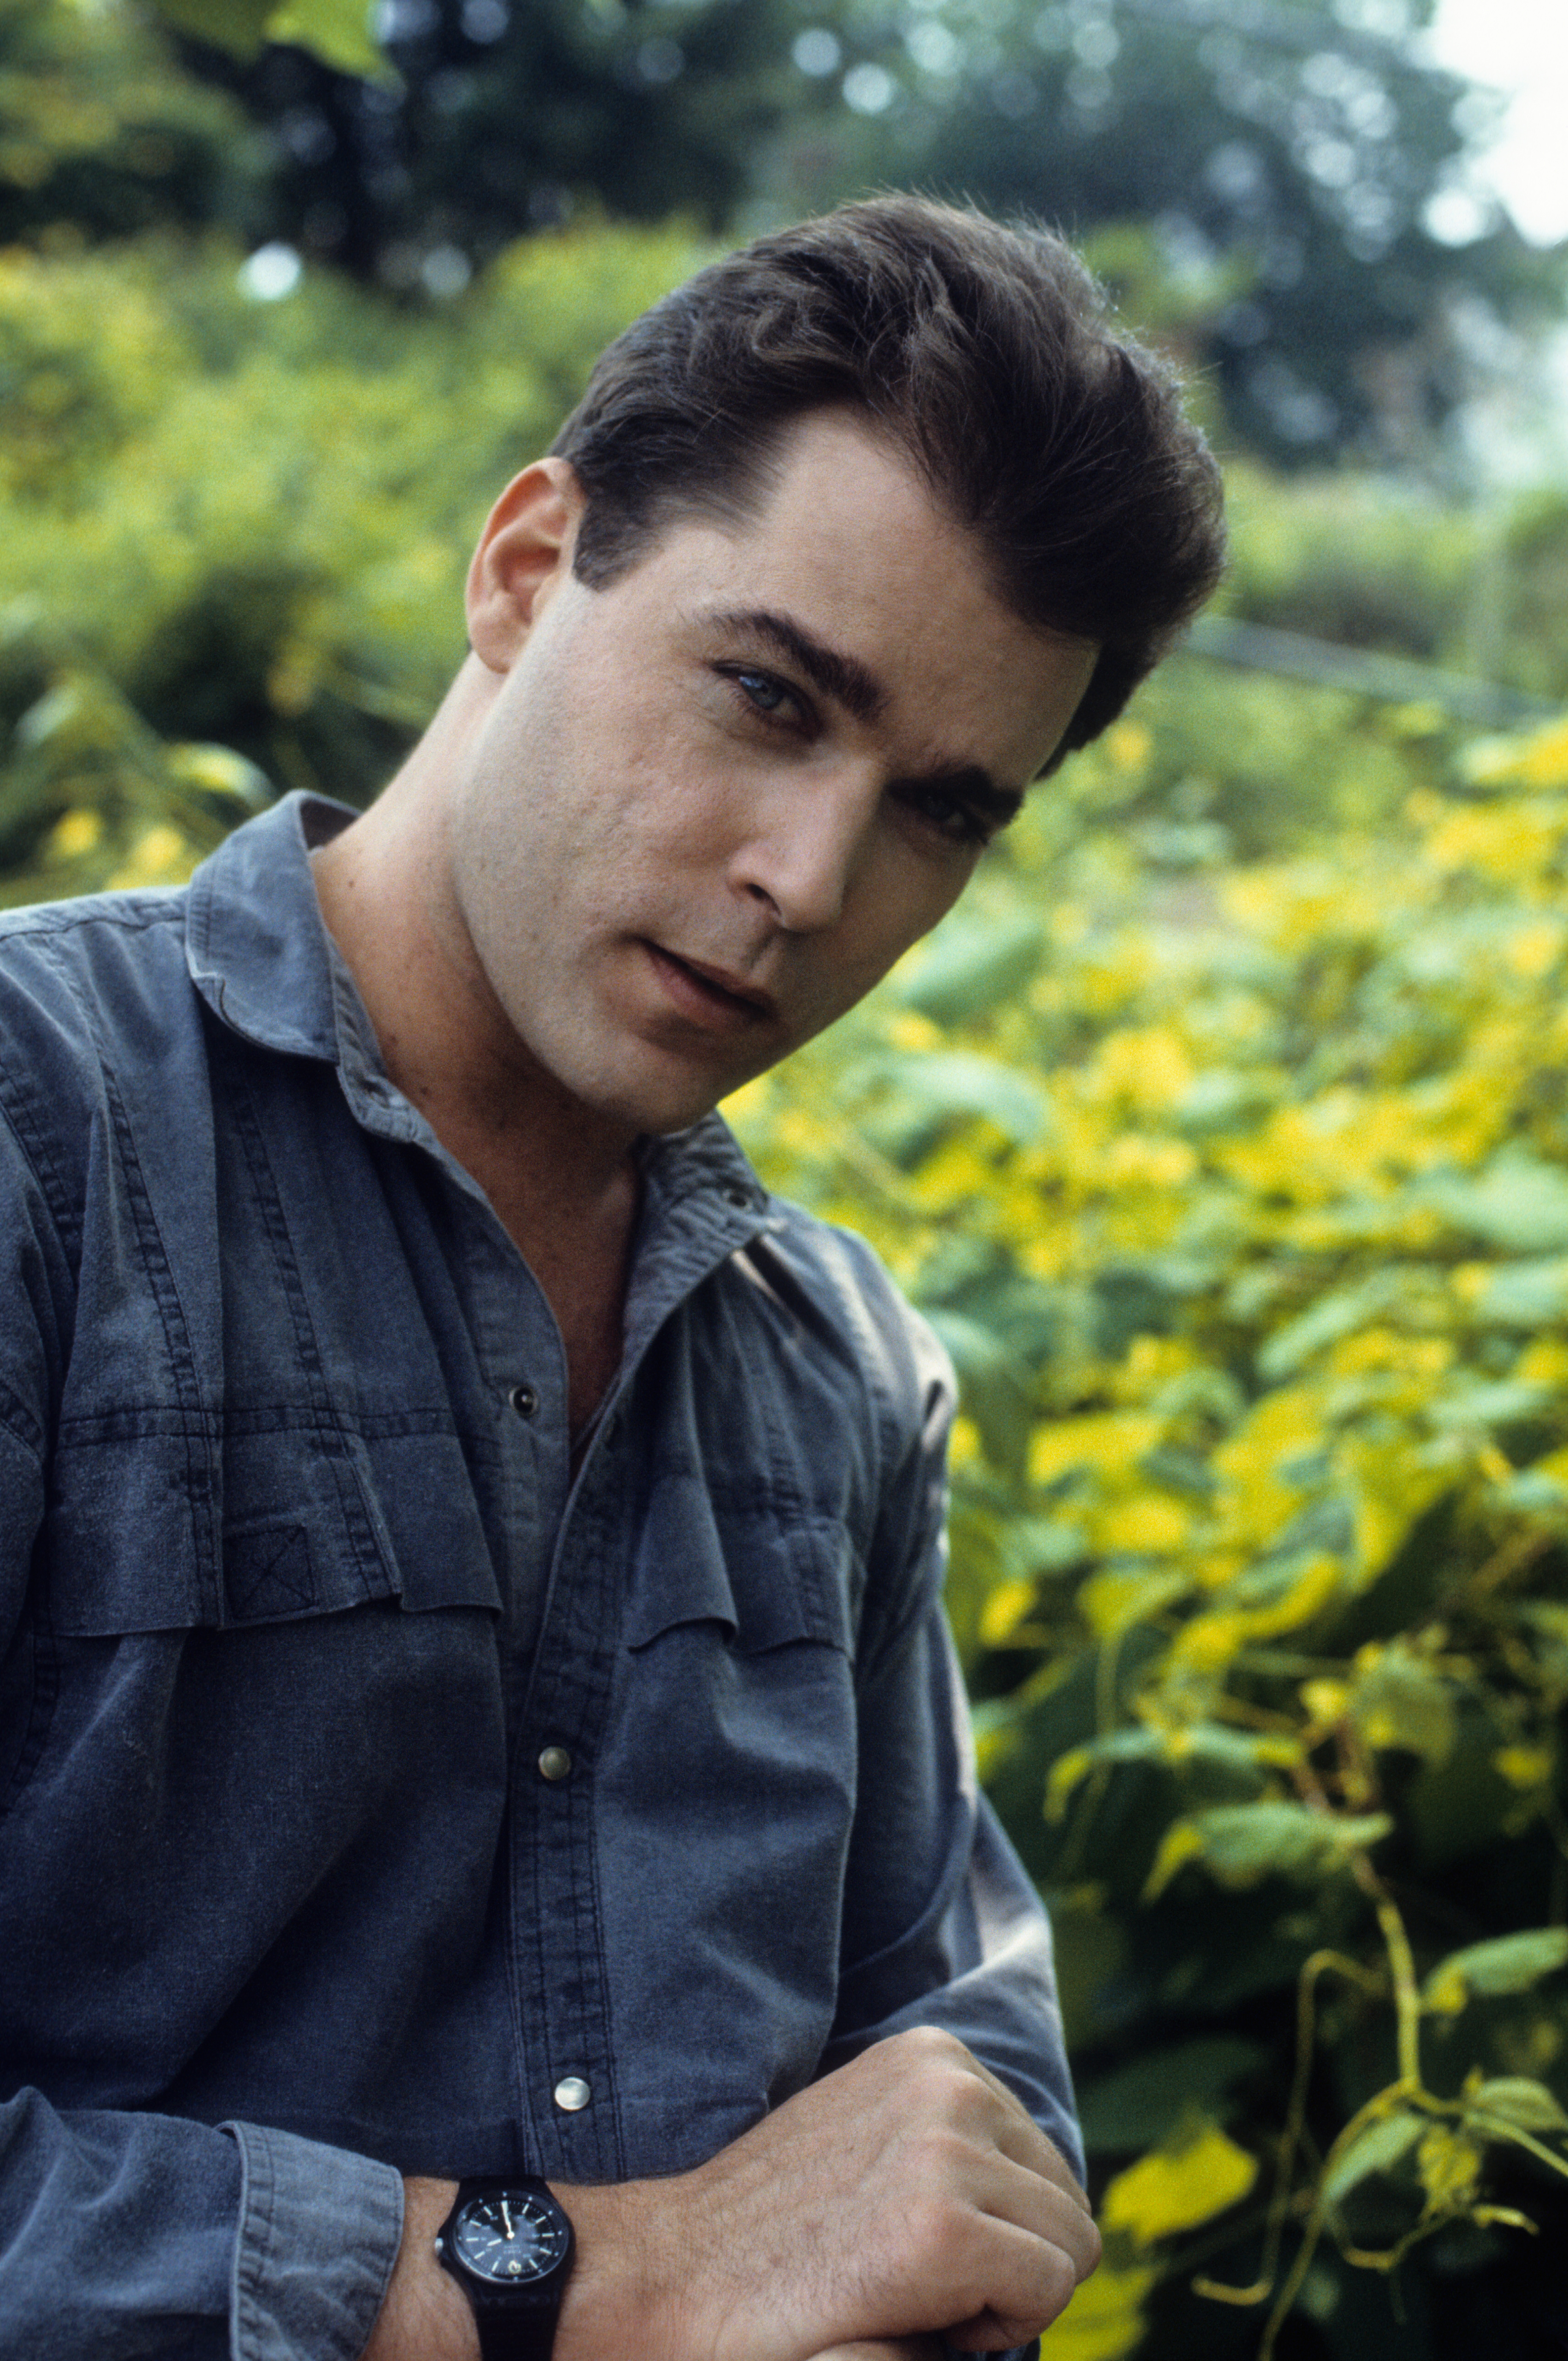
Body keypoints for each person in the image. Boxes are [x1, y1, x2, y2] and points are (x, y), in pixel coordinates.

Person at [0, 197, 1224, 2361]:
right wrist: (610, 2284)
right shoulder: (41, 1135)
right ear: (524, 564)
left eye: (941, 811)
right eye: (765, 693)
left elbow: (958, 2087)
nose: (809, 880)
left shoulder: (837, 1371)